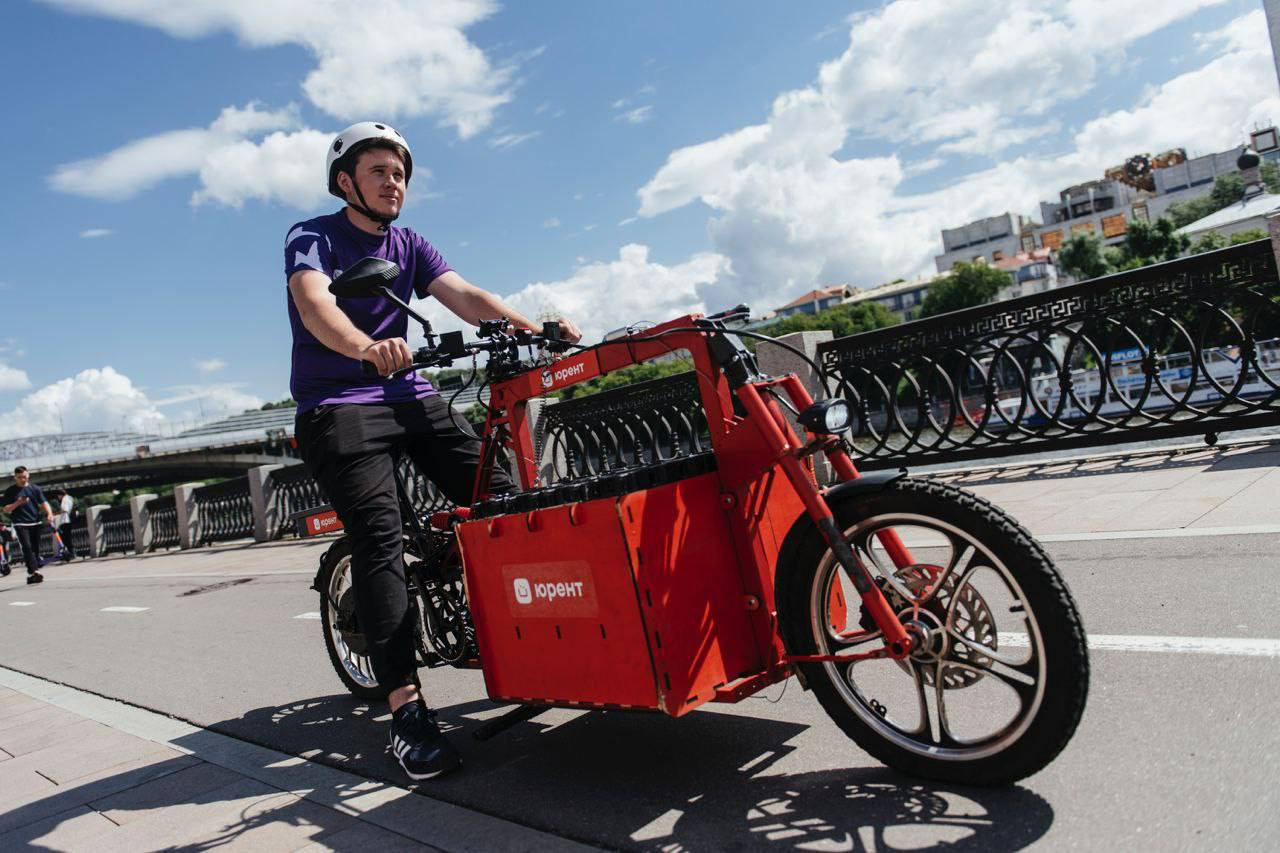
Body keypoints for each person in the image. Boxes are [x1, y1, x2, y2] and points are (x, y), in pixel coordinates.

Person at [285, 121, 582, 781]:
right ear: (345, 182)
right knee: (379, 534)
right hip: (340, 405)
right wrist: (364, 347)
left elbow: (466, 296)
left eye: (400, 174)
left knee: (506, 500)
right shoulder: (312, 236)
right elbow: (314, 305)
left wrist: (541, 331)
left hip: (411, 395)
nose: (394, 183)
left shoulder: (410, 244)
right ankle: (407, 711)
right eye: (379, 172)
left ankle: (531, 642)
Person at [1, 466, 55, 584]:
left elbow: (44, 502)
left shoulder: (35, 489)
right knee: (27, 547)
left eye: (24, 477)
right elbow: (5, 509)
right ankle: (35, 571)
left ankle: (32, 574)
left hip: (35, 522)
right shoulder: (10, 491)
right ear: (15, 477)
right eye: (19, 477)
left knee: (35, 549)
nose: (23, 479)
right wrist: (18, 502)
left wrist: (50, 513)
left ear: (28, 475)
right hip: (20, 523)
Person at [49, 489, 78, 561]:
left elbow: (65, 509)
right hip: (68, 520)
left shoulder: (65, 499)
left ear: (60, 495)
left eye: (58, 496)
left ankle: (70, 554)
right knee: (67, 537)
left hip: (65, 521)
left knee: (65, 538)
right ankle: (70, 553)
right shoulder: (70, 498)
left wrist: (55, 513)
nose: (58, 498)